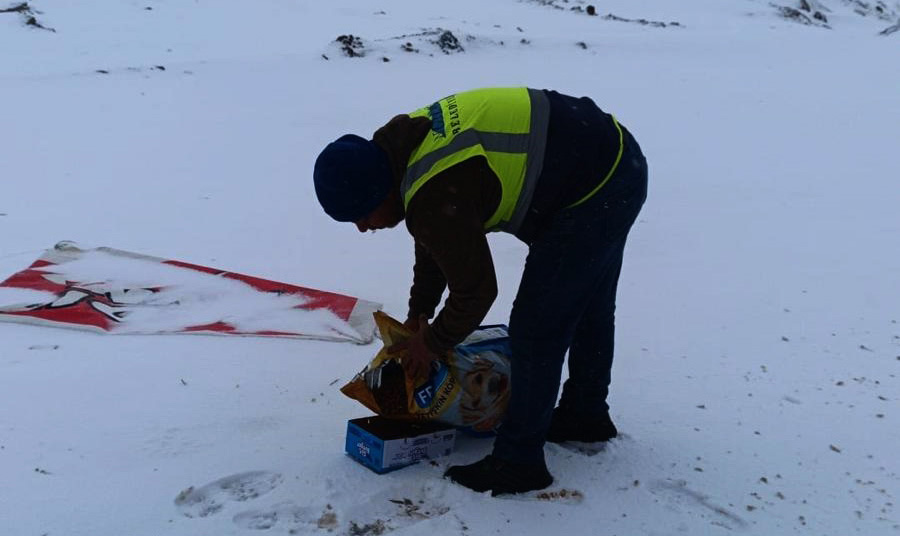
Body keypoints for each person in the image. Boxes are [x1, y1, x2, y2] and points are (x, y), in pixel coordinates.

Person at [313, 87, 647, 495]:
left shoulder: (430, 194)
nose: (363, 228)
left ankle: (518, 462)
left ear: (377, 192)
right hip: (607, 156)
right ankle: (585, 415)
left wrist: (431, 343)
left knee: (537, 325)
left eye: (360, 216)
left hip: (594, 187)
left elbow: (476, 291)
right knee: (587, 302)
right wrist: (420, 310)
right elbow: (435, 238)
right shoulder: (399, 151)